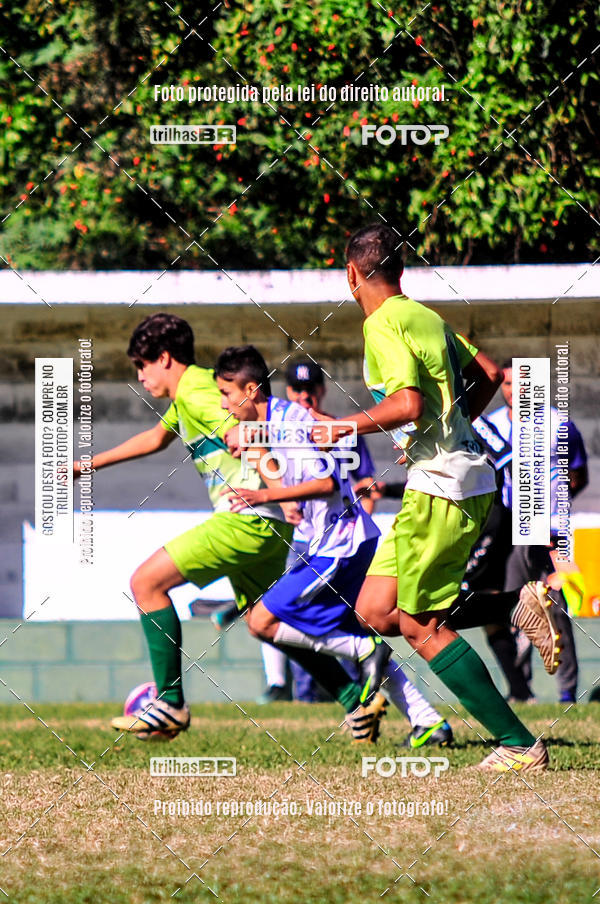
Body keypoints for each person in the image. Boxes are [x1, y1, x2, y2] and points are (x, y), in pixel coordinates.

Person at [307, 223, 553, 772]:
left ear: (352, 274)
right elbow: (487, 373)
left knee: (420, 626)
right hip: (452, 477)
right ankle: (514, 604)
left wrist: (344, 426)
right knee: (375, 610)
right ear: (399, 270)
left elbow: (407, 403)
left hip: (442, 488)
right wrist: (447, 430)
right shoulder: (426, 316)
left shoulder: (382, 323)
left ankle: (519, 746)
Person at [76, 313, 384, 741]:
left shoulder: (200, 392)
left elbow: (245, 432)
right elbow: (153, 439)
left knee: (146, 583)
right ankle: (356, 701)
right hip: (266, 526)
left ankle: (169, 704)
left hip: (247, 520)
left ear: (163, 358)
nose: (140, 377)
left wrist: (279, 487)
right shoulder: (191, 394)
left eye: (141, 366)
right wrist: (85, 465)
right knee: (269, 622)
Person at [215, 344, 455, 748]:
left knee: (262, 620)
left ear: (250, 390)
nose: (223, 403)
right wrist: (279, 487)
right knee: (345, 628)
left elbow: (327, 483)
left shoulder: (293, 421)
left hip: (339, 546)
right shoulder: (276, 420)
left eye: (226, 394)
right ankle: (428, 722)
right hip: (336, 543)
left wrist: (265, 497)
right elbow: (265, 446)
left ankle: (362, 650)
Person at [487, 361, 589, 703]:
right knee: (516, 609)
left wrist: (551, 513)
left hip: (550, 531)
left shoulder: (559, 423)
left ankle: (566, 692)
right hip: (508, 533)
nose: (514, 390)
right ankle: (521, 690)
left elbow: (578, 475)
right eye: (507, 384)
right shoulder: (490, 425)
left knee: (556, 609)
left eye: (521, 383)